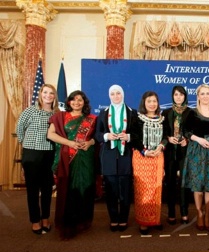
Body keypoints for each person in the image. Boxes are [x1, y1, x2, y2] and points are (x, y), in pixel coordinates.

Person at [47, 90, 97, 239]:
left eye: (80, 100)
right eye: (74, 100)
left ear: (84, 103)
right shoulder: (60, 117)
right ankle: (67, 222)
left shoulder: (92, 119)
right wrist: (70, 143)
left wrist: (89, 142)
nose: (77, 102)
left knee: (85, 187)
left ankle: (83, 220)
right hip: (67, 159)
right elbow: (51, 134)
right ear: (69, 102)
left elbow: (97, 138)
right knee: (68, 190)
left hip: (85, 159)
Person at [16, 84, 60, 235]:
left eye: (51, 93)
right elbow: (19, 128)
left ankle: (45, 218)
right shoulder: (30, 110)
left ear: (55, 96)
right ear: (41, 94)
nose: (48, 95)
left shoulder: (56, 113)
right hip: (31, 154)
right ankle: (35, 221)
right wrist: (26, 144)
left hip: (49, 154)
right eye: (45, 92)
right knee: (33, 190)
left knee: (47, 189)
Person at [95, 85, 138, 232]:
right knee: (111, 190)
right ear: (109, 96)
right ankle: (114, 219)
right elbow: (97, 134)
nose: (116, 96)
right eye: (112, 94)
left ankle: (124, 219)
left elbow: (138, 135)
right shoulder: (103, 113)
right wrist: (106, 136)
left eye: (118, 93)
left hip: (126, 155)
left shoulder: (132, 113)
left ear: (123, 94)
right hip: (109, 155)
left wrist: (128, 136)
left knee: (125, 190)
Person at [182, 84, 209, 232]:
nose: (205, 96)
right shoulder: (192, 113)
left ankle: (207, 216)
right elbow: (185, 131)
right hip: (196, 151)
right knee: (197, 184)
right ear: (198, 96)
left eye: (207, 93)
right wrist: (198, 139)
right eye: (202, 94)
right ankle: (199, 213)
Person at [133, 91, 167, 235]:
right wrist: (145, 151)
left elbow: (166, 136)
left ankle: (155, 219)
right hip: (142, 157)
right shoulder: (137, 118)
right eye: (149, 101)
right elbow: (133, 137)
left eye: (154, 101)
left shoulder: (163, 119)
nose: (152, 104)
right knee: (143, 189)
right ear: (144, 103)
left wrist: (161, 146)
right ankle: (143, 222)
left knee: (157, 189)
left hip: (158, 156)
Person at [161, 85, 191, 225]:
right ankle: (171, 213)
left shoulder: (190, 113)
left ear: (185, 96)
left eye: (181, 94)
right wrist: (168, 137)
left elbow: (193, 131)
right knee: (170, 182)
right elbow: (162, 131)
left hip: (185, 152)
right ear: (172, 96)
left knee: (184, 183)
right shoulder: (166, 112)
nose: (178, 97)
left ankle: (184, 213)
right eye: (176, 94)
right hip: (170, 152)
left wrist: (187, 139)